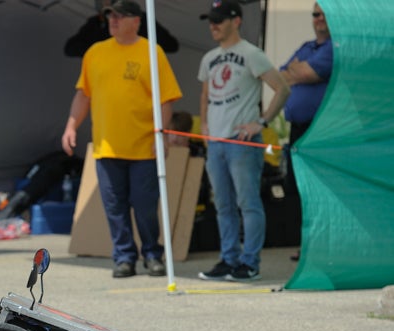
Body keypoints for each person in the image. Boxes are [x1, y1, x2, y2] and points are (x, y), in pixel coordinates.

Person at [60, 0, 181, 279]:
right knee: (114, 207)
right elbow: (84, 94)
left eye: (120, 16)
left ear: (136, 21)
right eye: (111, 16)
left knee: (145, 206)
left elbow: (165, 100)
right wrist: (71, 126)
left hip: (143, 146)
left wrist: (161, 134)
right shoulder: (95, 52)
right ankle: (124, 257)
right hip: (107, 146)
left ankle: (152, 254)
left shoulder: (152, 52)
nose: (113, 20)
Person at [196, 0, 290, 282]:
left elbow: (282, 88)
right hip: (216, 142)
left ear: (236, 21)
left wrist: (261, 122)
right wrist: (203, 125)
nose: (213, 25)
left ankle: (249, 263)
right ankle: (228, 259)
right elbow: (205, 94)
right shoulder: (209, 57)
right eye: (211, 20)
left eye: (219, 20)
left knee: (248, 203)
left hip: (241, 141)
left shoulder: (252, 53)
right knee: (223, 204)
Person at [280, 3, 332, 261]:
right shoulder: (306, 47)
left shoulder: (334, 48)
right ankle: (307, 243)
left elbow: (308, 72)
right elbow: (282, 75)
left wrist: (299, 71)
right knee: (296, 185)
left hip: (319, 128)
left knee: (318, 186)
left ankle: (321, 244)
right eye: (315, 14)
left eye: (324, 14)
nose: (319, 19)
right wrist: (298, 71)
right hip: (297, 128)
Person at [64, 0, 179, 58]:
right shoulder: (96, 23)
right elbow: (70, 48)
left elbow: (171, 45)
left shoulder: (138, 19)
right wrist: (102, 49)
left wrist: (136, 44)